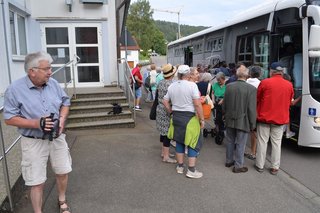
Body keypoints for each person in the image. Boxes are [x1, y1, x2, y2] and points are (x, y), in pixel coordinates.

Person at [3, 51, 72, 213]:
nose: (50, 72)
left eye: (50, 68)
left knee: (62, 171)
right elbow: (9, 118)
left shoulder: (53, 83)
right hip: (33, 140)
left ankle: (62, 201)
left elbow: (65, 102)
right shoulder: (14, 89)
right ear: (31, 71)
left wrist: (62, 119)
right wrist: (36, 123)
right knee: (37, 181)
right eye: (46, 69)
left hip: (57, 137)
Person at [163, 65, 205, 179]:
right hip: (189, 117)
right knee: (193, 143)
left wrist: (171, 112)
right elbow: (197, 104)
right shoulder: (192, 86)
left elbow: (165, 101)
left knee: (180, 142)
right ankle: (191, 170)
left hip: (176, 117)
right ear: (188, 74)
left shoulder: (172, 86)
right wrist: (202, 119)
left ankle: (180, 166)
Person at [255, 62, 294, 175]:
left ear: (271, 71)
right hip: (280, 118)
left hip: (264, 118)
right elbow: (290, 100)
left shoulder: (265, 82)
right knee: (277, 143)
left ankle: (260, 165)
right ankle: (274, 167)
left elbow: (258, 98)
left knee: (262, 142)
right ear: (282, 72)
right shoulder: (289, 85)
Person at [223, 64, 257, 173]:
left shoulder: (229, 86)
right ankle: (238, 165)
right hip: (243, 119)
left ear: (237, 74)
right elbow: (251, 109)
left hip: (229, 118)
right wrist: (253, 124)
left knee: (230, 140)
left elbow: (224, 104)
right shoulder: (251, 89)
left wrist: (225, 114)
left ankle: (229, 161)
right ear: (247, 76)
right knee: (241, 143)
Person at [156, 64, 177, 163]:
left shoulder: (161, 82)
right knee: (167, 134)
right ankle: (166, 157)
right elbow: (170, 100)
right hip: (166, 110)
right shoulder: (171, 85)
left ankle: (164, 152)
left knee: (163, 132)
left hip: (159, 109)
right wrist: (171, 111)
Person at [244, 65, 262, 160]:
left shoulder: (245, 82)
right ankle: (253, 152)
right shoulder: (261, 84)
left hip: (243, 109)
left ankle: (240, 149)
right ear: (259, 74)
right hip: (255, 109)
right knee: (253, 132)